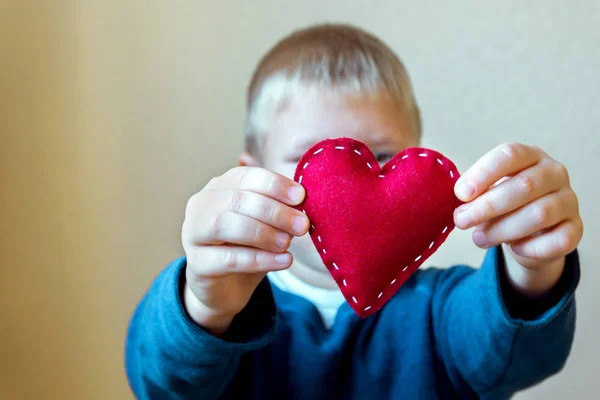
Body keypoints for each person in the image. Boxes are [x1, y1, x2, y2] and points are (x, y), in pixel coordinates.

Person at [125, 23, 583, 399]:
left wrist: (532, 265)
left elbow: (514, 352)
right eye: (308, 157)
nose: (344, 193)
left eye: (383, 156)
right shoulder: (228, 309)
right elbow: (160, 382)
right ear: (251, 176)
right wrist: (204, 306)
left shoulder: (438, 312)